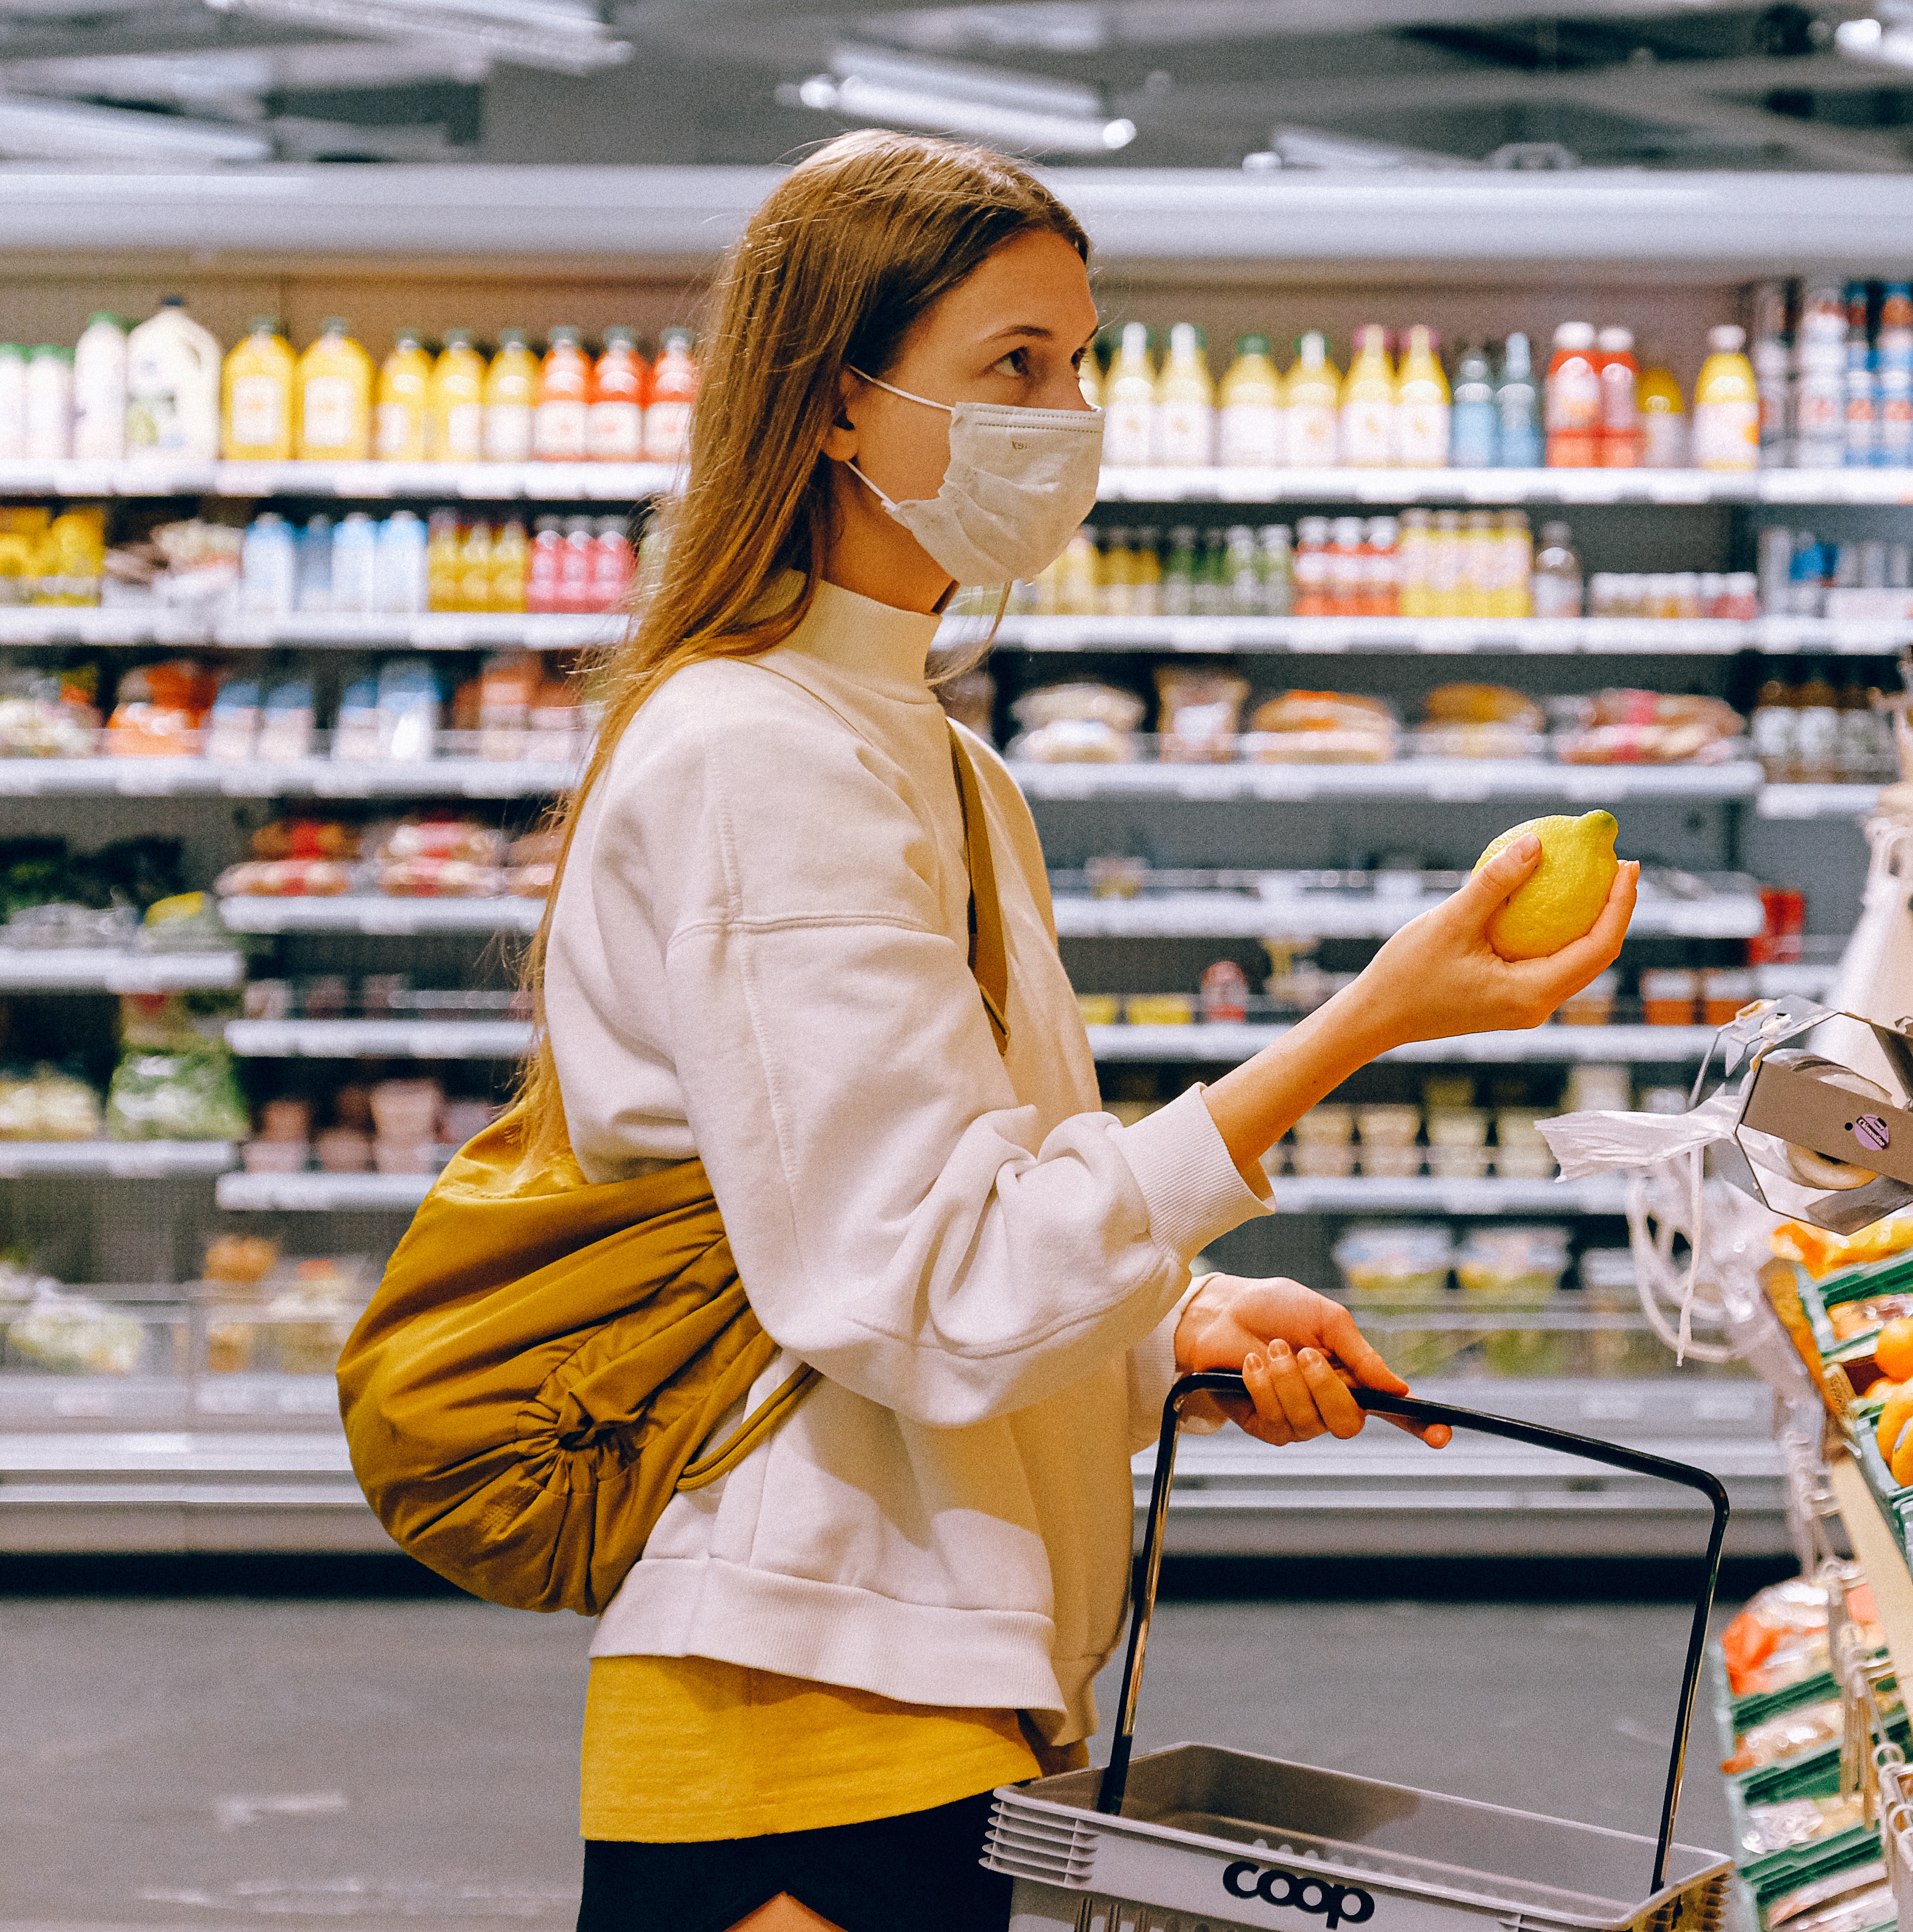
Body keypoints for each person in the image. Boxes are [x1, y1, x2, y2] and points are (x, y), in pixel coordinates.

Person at [535, 130, 1637, 1931]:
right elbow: (918, 1284)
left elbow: (950, 1220)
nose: (1071, 415)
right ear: (835, 404)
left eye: (1082, 361)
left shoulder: (933, 760)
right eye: (1014, 368)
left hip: (931, 1674)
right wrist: (1361, 1026)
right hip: (807, 1699)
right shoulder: (761, 758)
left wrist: (1164, 1328)